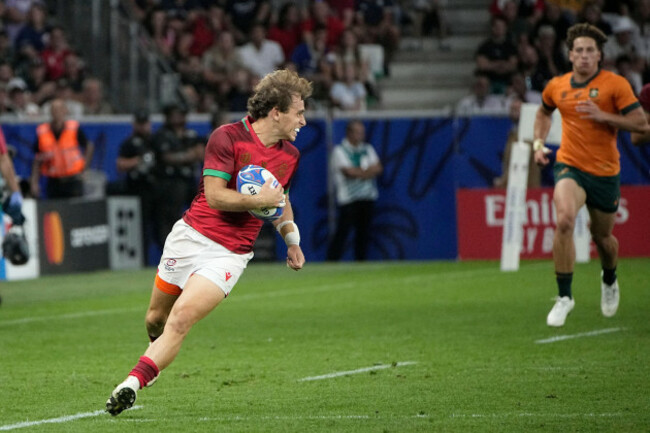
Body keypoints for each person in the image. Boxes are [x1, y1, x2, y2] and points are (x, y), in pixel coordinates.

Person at [105, 69, 312, 416]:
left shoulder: (290, 156)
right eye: (299, 112)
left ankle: (131, 383)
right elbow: (215, 197)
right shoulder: (226, 137)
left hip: (230, 254)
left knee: (182, 319)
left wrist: (291, 239)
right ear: (276, 111)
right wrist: (257, 199)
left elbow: (280, 200)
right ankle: (155, 354)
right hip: (191, 237)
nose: (303, 121)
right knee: (156, 319)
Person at [532, 23, 647, 327]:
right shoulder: (557, 85)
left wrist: (604, 116)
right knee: (565, 219)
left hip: (605, 172)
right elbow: (543, 111)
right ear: (570, 55)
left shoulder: (615, 85)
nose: (584, 56)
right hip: (570, 166)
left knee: (604, 239)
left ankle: (609, 278)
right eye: (579, 50)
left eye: (590, 51)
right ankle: (564, 297)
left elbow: (642, 125)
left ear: (599, 56)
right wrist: (539, 144)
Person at [149, 102, 203, 250]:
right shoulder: (161, 135)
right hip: (168, 183)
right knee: (169, 219)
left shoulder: (190, 134)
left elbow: (201, 152)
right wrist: (188, 156)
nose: (180, 118)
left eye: (182, 115)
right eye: (176, 115)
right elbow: (166, 157)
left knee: (199, 215)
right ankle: (170, 252)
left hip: (189, 181)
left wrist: (192, 155)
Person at [326, 120, 382, 261]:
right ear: (349, 133)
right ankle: (332, 261)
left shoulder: (367, 148)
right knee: (343, 232)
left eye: (362, 132)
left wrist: (361, 172)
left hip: (367, 197)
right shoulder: (340, 151)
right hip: (349, 199)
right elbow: (348, 172)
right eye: (358, 132)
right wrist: (367, 172)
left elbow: (378, 168)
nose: (361, 135)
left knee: (363, 233)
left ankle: (361, 261)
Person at [30, 98, 94, 199]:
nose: (57, 113)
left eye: (60, 109)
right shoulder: (42, 132)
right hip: (53, 181)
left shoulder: (73, 128)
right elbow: (37, 159)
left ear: (65, 111)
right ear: (50, 112)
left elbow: (89, 145)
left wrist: (84, 167)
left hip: (73, 179)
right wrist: (34, 182)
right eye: (54, 110)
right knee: (54, 212)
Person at [115, 109, 156, 265]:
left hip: (157, 188)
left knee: (162, 228)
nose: (143, 127)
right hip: (138, 188)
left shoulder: (155, 140)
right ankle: (143, 261)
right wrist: (139, 161)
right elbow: (120, 164)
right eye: (140, 124)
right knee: (141, 228)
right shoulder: (129, 143)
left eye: (145, 123)